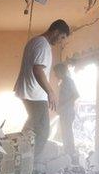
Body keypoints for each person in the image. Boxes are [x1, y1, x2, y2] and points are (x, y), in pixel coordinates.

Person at [14, 19, 70, 158]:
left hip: (28, 92)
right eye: (62, 37)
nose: (61, 41)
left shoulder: (35, 41)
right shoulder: (43, 45)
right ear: (56, 31)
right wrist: (50, 91)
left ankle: (17, 155)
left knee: (31, 127)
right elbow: (38, 69)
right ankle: (31, 163)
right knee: (43, 130)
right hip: (35, 94)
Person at [54, 63, 79, 164]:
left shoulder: (68, 81)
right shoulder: (64, 81)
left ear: (61, 71)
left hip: (68, 112)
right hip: (64, 112)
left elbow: (76, 95)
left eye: (56, 73)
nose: (55, 75)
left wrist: (63, 106)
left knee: (68, 134)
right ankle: (68, 155)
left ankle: (71, 156)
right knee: (65, 134)